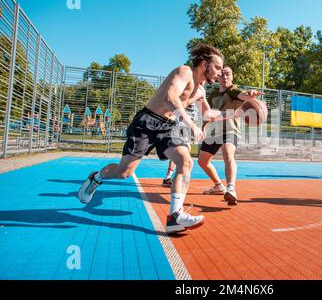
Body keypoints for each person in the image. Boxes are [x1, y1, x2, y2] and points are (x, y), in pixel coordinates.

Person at [77, 43, 237, 233]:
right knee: (123, 172)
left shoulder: (201, 91)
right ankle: (96, 178)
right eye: (217, 67)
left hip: (168, 127)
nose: (220, 72)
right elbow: (170, 98)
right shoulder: (184, 71)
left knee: (185, 161)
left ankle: (175, 216)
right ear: (203, 63)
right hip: (147, 122)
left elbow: (209, 113)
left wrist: (237, 112)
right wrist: (191, 124)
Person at [198, 65, 263, 205]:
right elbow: (208, 114)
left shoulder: (233, 90)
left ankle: (231, 188)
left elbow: (243, 95)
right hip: (214, 131)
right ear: (217, 77)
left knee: (228, 153)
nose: (224, 77)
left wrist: (249, 95)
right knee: (202, 161)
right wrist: (203, 128)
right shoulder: (213, 94)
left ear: (232, 76)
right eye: (221, 75)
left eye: (227, 74)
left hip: (230, 130)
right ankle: (218, 185)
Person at [162, 103, 198, 187]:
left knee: (185, 155)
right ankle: (170, 177)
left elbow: (193, 120)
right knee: (182, 154)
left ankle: (172, 177)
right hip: (178, 129)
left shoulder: (195, 106)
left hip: (186, 131)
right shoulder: (182, 102)